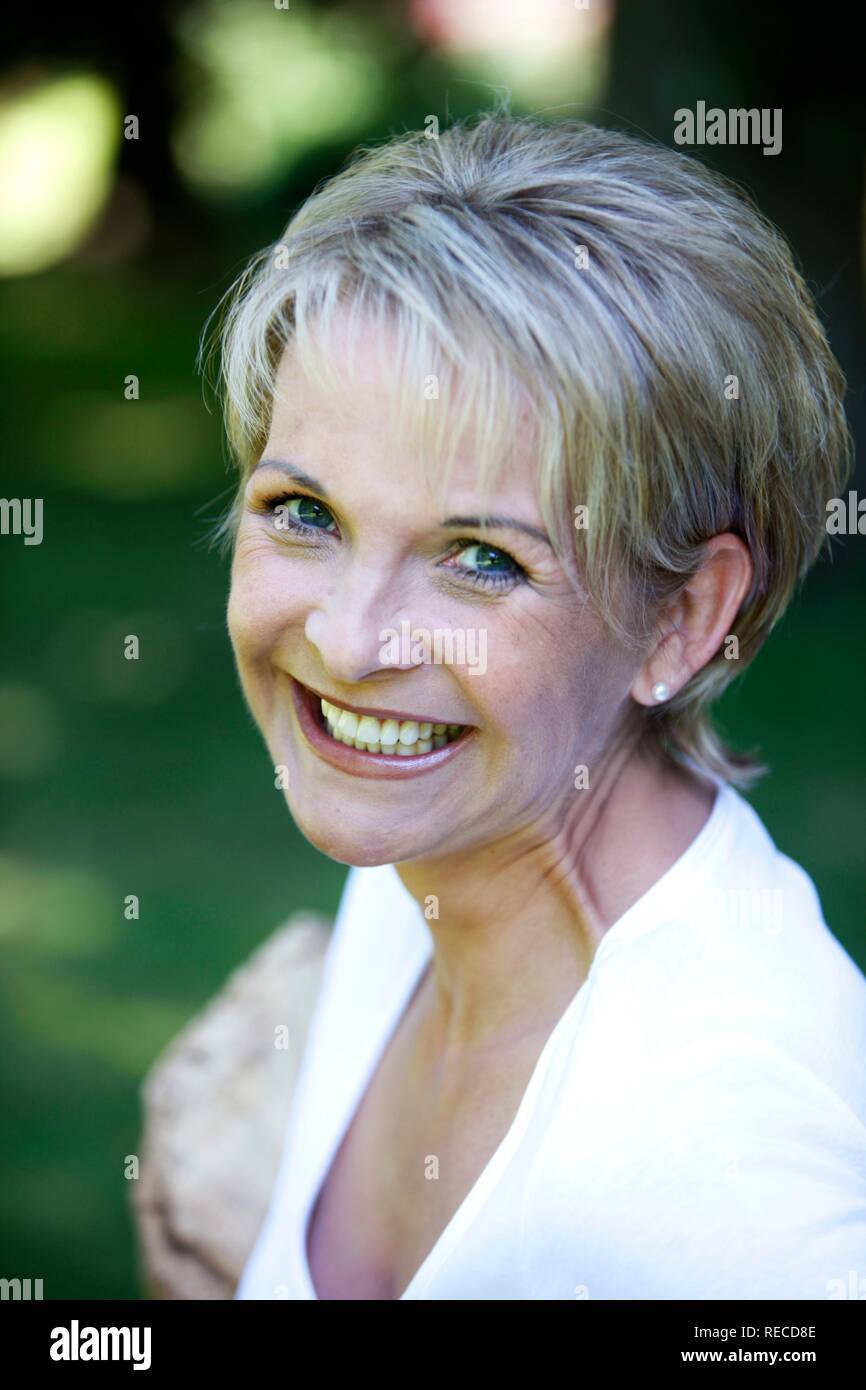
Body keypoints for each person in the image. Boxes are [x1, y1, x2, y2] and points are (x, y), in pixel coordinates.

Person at [199, 111, 866, 1299]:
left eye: (479, 557)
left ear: (683, 616)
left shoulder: (722, 1192)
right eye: (304, 512)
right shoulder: (428, 841)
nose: (348, 644)